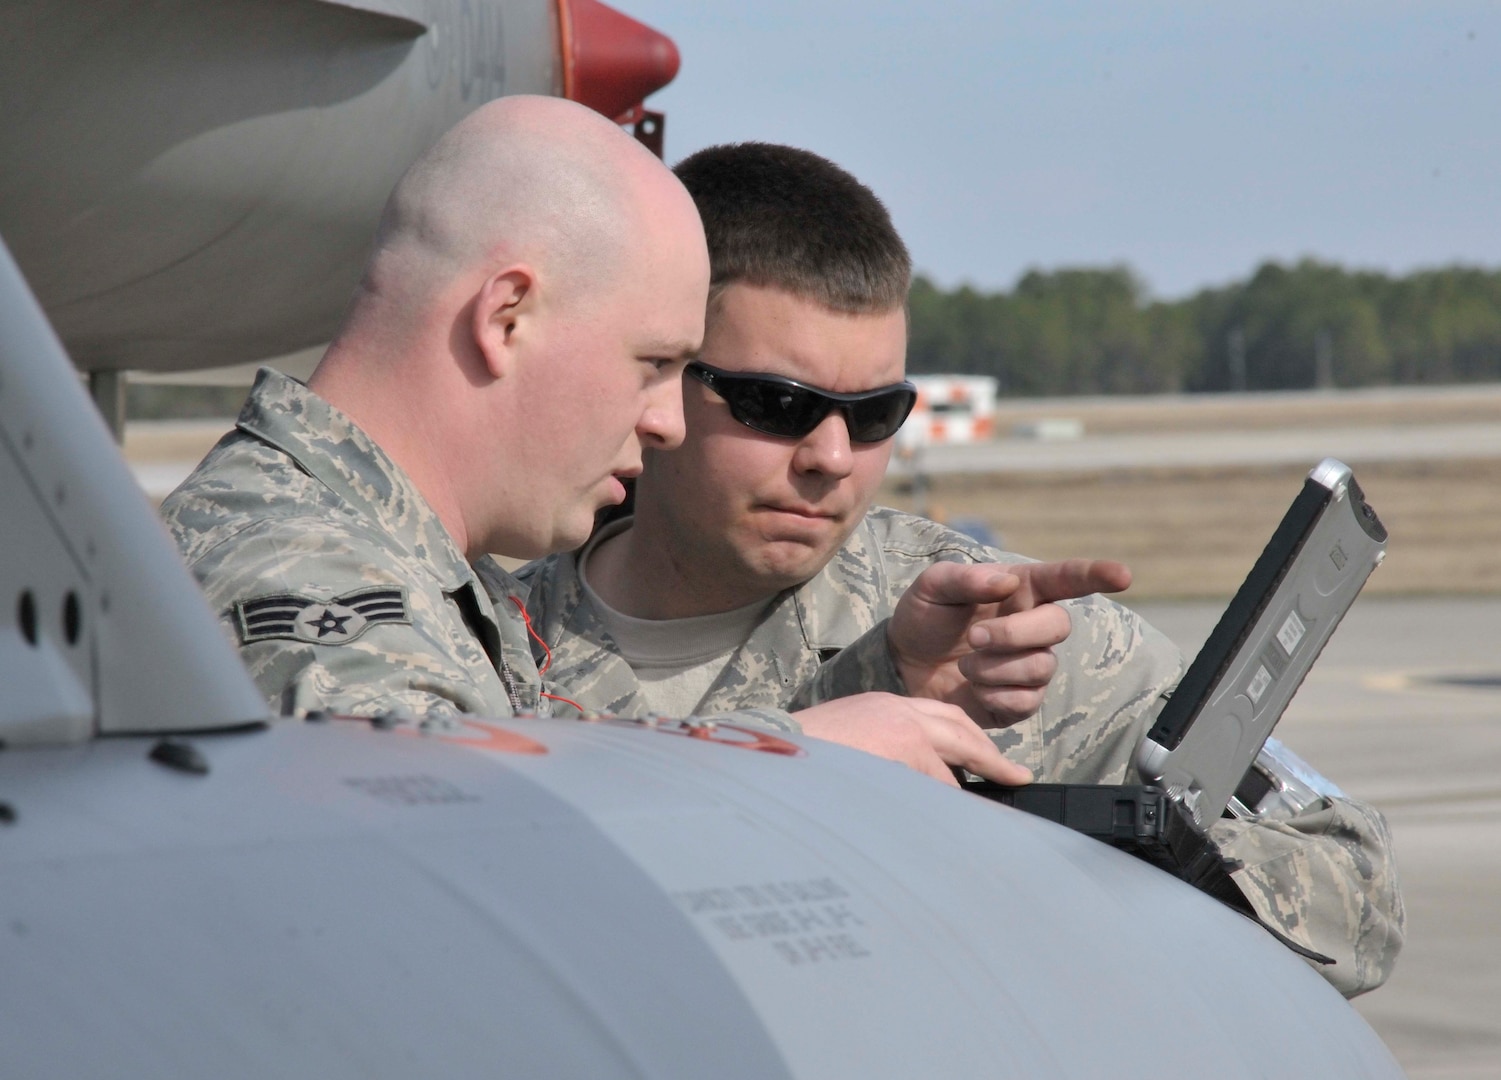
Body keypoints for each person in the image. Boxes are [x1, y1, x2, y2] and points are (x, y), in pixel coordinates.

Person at [518, 142, 1404, 996]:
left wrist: (1084, 851)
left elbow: (1354, 891)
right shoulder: (475, 637)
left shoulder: (1005, 640)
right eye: (777, 405)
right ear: (664, 371)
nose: (831, 456)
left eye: (875, 414)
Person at [158, 96, 1028, 788]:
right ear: (506, 317)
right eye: (652, 362)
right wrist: (794, 756)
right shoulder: (300, 570)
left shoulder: (400, 562)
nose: (667, 421)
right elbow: (461, 852)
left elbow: (547, 766)